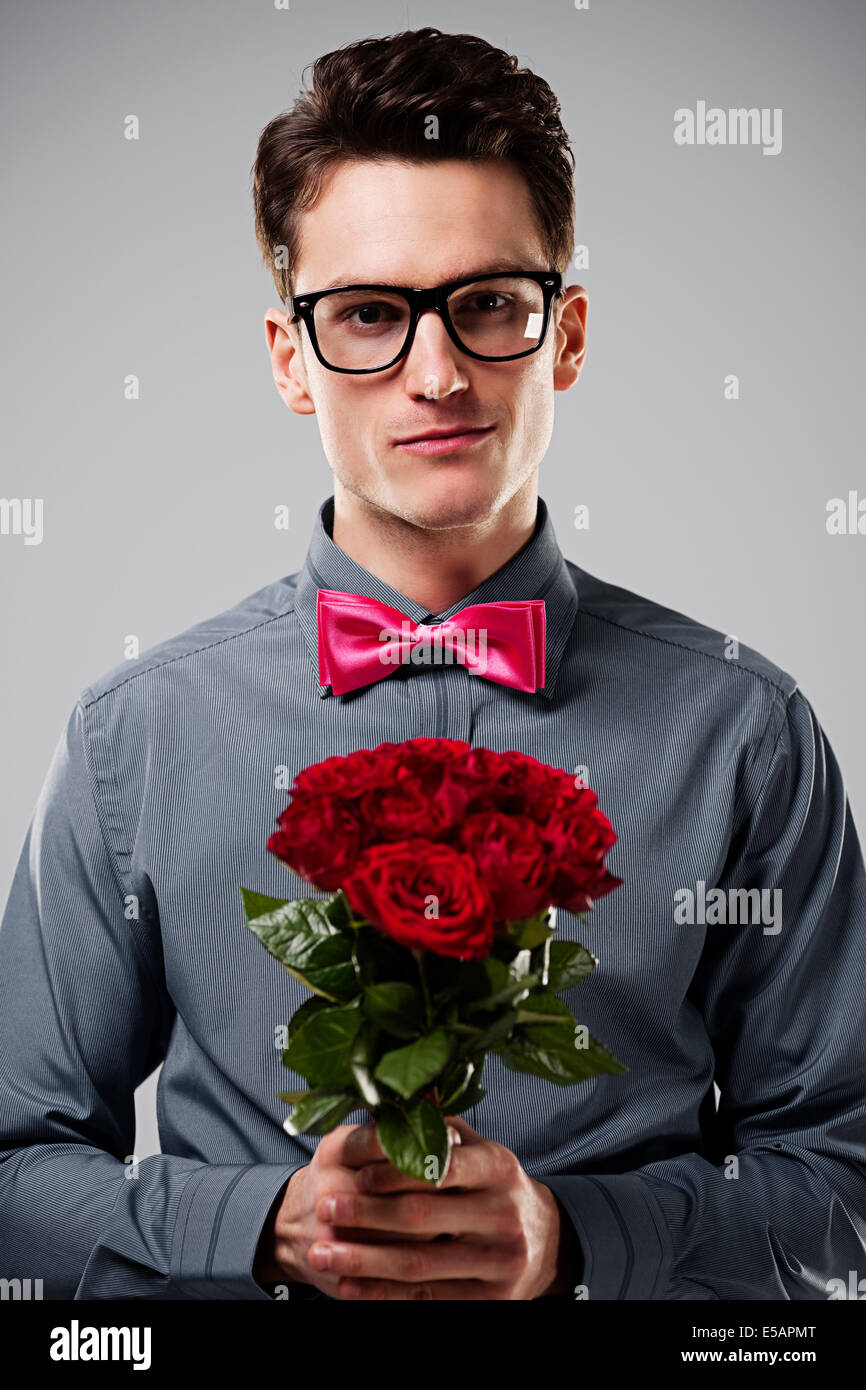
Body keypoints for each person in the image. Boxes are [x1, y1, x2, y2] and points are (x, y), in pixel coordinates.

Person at [1, 26, 864, 1303]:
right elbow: (17, 1162)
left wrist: (581, 1237)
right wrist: (254, 1228)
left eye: (488, 306)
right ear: (291, 359)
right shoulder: (138, 735)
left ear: (564, 335)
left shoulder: (744, 729)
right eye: (366, 315)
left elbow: (838, 1176)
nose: (438, 373)